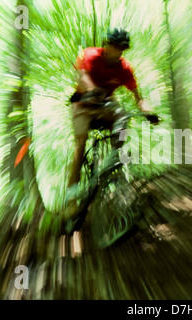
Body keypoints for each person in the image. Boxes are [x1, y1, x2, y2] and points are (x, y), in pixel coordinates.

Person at [65, 28, 155, 209]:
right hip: (82, 105)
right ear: (106, 45)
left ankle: (111, 163)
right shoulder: (89, 55)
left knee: (122, 117)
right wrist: (92, 91)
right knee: (80, 145)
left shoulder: (125, 68)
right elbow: (81, 77)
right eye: (115, 47)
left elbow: (138, 97)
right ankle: (70, 199)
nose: (118, 52)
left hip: (105, 106)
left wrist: (148, 112)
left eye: (122, 49)